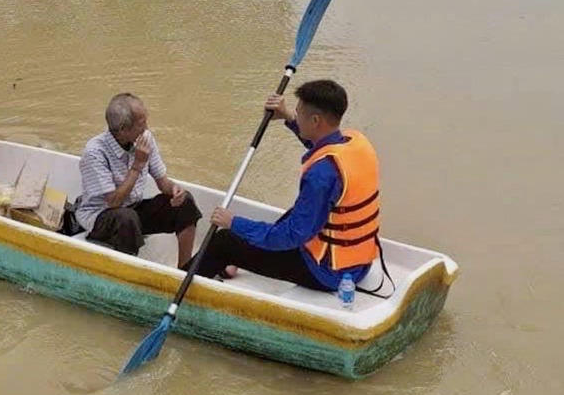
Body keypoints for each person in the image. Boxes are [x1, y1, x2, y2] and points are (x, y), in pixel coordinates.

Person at [190, 79, 380, 292]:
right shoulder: (355, 142)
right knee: (296, 212)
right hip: (360, 265)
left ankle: (175, 282)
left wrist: (234, 222)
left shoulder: (320, 176)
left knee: (225, 241)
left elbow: (290, 236)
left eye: (298, 113)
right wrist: (288, 117)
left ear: (316, 120)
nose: (296, 116)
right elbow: (319, 145)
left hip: (326, 273)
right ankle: (232, 264)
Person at [75, 93, 203, 267]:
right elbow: (114, 202)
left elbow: (162, 183)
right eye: (141, 125)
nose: (147, 128)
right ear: (123, 129)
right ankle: (129, 270)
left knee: (185, 202)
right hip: (100, 217)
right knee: (126, 218)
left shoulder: (145, 138)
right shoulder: (95, 152)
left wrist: (175, 190)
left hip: (133, 208)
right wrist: (138, 165)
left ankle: (184, 268)